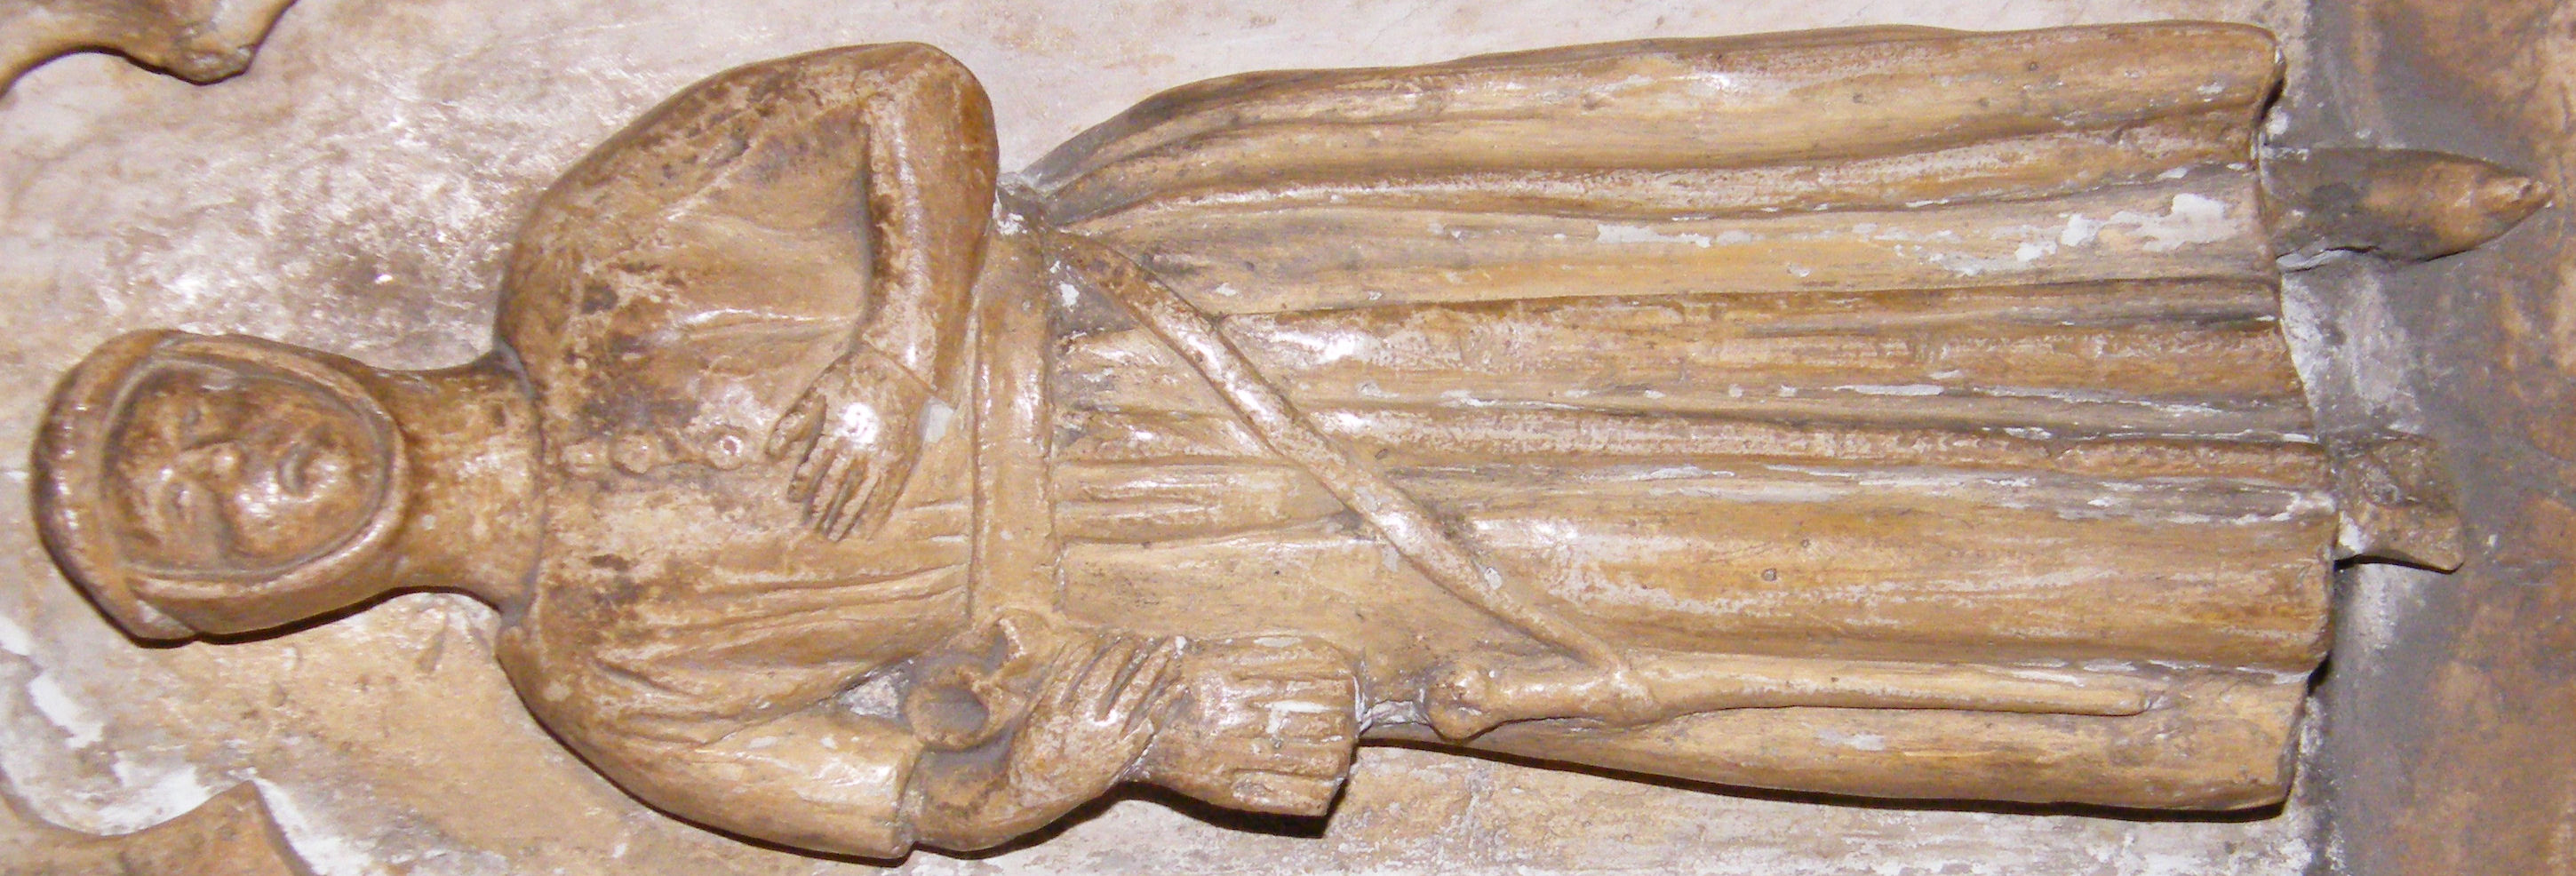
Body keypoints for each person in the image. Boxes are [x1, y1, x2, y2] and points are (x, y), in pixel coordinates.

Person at [29, 25, 2544, 857]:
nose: (243, 469)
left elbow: (905, 98)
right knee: (1721, 531)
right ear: (259, 608)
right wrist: (1086, 741)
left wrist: (896, 344)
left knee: (1724, 260)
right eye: (201, 525)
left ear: (260, 355)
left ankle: (2256, 203)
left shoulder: (587, 252)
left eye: (201, 418)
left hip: (1206, 286)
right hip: (1202, 564)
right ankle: (2286, 523)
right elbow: (907, 805)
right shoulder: (605, 674)